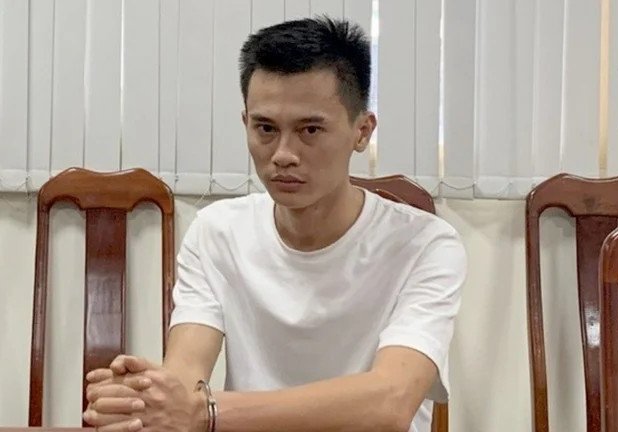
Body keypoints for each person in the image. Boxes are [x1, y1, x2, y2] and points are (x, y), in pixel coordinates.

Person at [82, 16, 466, 432]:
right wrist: (143, 400)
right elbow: (185, 378)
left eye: (310, 130)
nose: (283, 154)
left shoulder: (424, 244)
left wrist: (205, 412)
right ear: (245, 122)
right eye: (265, 128)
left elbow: (390, 402)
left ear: (362, 131)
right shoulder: (217, 232)